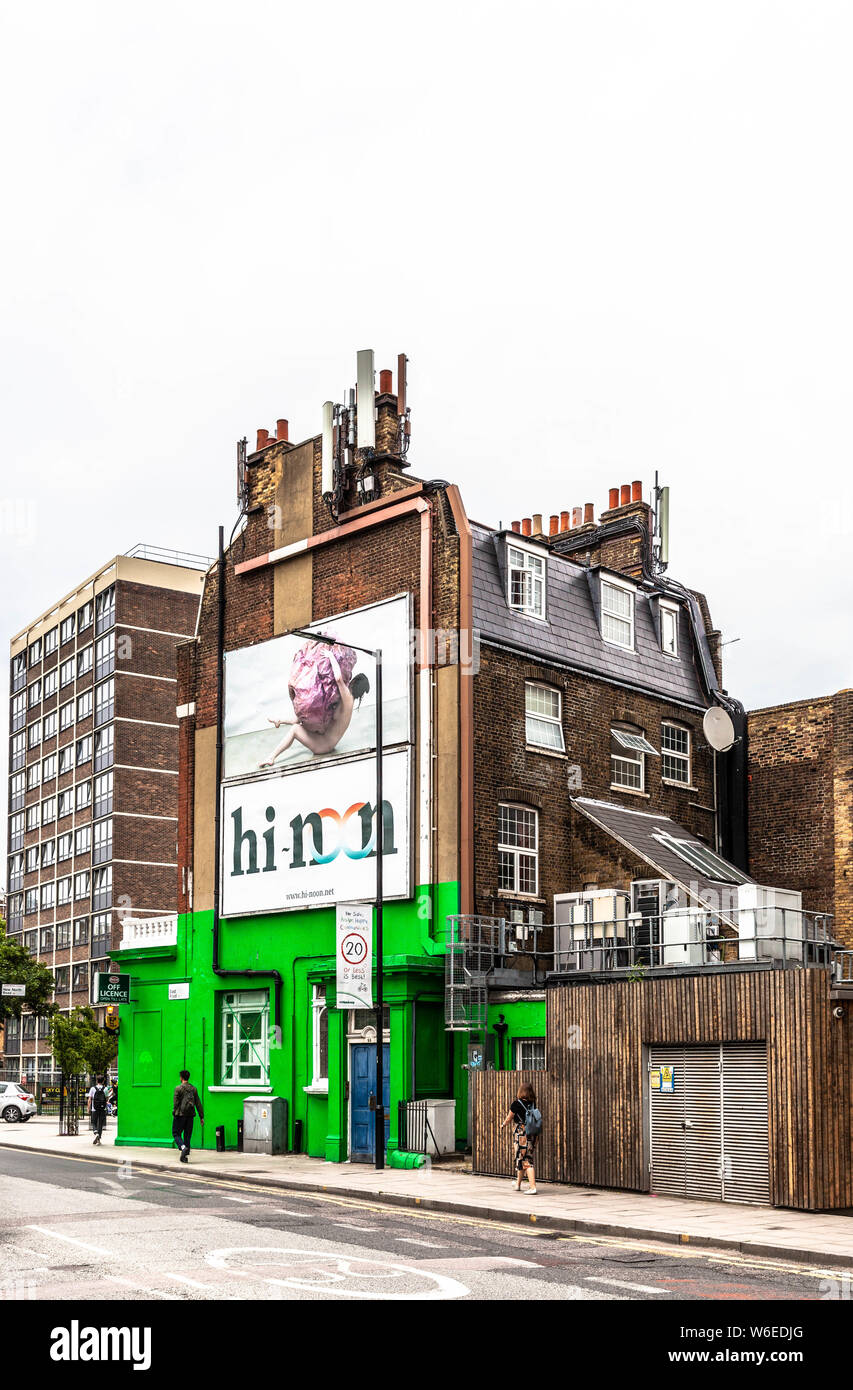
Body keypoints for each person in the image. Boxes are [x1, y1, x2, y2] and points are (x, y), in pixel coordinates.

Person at [260, 650, 370, 764]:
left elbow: (338, 679)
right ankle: (279, 721)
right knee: (306, 715)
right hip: (324, 739)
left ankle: (271, 757)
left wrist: (330, 656)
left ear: (354, 682)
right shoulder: (348, 701)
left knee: (295, 730)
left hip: (323, 745)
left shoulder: (347, 697)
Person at [501, 1081, 540, 1194]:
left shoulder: (516, 1104)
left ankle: (533, 1187)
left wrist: (503, 1125)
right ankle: (518, 1184)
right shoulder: (532, 1104)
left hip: (522, 1133)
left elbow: (509, 1118)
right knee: (521, 1159)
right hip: (532, 1134)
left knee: (526, 1160)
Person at [172, 1069, 204, 1162]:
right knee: (187, 1135)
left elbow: (176, 1103)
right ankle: (184, 1157)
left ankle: (183, 1147)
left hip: (180, 1115)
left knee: (176, 1133)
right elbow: (198, 1103)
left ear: (181, 1078)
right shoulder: (193, 1089)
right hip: (190, 1116)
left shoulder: (178, 1088)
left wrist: (174, 1112)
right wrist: (201, 1117)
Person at [87, 1075, 108, 1146]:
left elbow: (89, 1099)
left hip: (94, 1109)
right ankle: (98, 1140)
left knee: (94, 1122)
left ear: (96, 1081)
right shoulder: (105, 1089)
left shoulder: (93, 1088)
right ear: (103, 1081)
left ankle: (96, 1133)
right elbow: (106, 1099)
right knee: (100, 1124)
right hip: (102, 1108)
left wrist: (88, 1108)